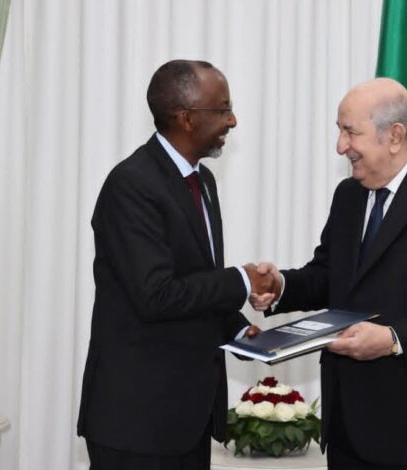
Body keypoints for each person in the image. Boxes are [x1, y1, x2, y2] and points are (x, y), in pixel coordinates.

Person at [251, 78, 407, 470]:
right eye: (339, 130)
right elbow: (331, 275)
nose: (340, 146)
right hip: (350, 426)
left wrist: (393, 339)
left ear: (395, 136)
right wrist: (280, 286)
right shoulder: (349, 195)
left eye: (350, 132)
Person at [77, 60, 276, 470]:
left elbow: (196, 280)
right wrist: (240, 280)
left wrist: (239, 330)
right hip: (138, 423)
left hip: (187, 418)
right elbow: (157, 295)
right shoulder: (132, 184)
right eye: (223, 109)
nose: (233, 120)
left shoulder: (203, 181)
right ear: (185, 117)